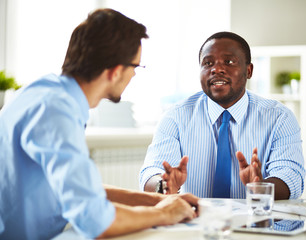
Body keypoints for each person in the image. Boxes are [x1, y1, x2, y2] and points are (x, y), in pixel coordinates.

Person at [0, 8, 198, 240]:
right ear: (115, 71)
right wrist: (164, 213)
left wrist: (161, 200)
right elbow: (96, 220)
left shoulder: (45, 93)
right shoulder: (56, 113)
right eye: (136, 66)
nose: (134, 76)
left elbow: (84, 193)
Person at [139, 31, 306, 200]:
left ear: (249, 70)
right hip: (195, 222)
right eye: (208, 63)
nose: (216, 69)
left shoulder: (279, 118)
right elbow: (151, 172)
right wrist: (164, 185)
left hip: (259, 223)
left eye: (229, 61)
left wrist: (260, 188)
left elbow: (291, 176)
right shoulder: (175, 117)